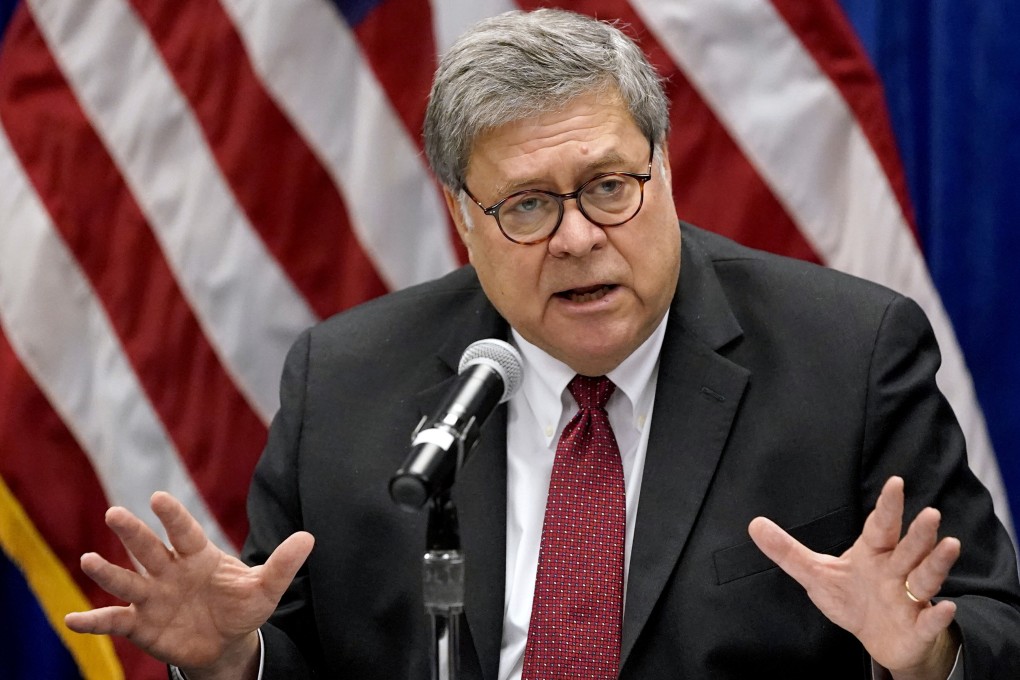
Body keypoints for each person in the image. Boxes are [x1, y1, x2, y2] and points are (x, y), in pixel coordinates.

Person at [65, 8, 1020, 679]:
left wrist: (928, 658)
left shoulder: (847, 357)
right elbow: (303, 657)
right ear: (462, 218)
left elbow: (991, 626)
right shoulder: (350, 384)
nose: (576, 236)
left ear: (665, 170)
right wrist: (237, 662)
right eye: (527, 205)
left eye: (610, 185)